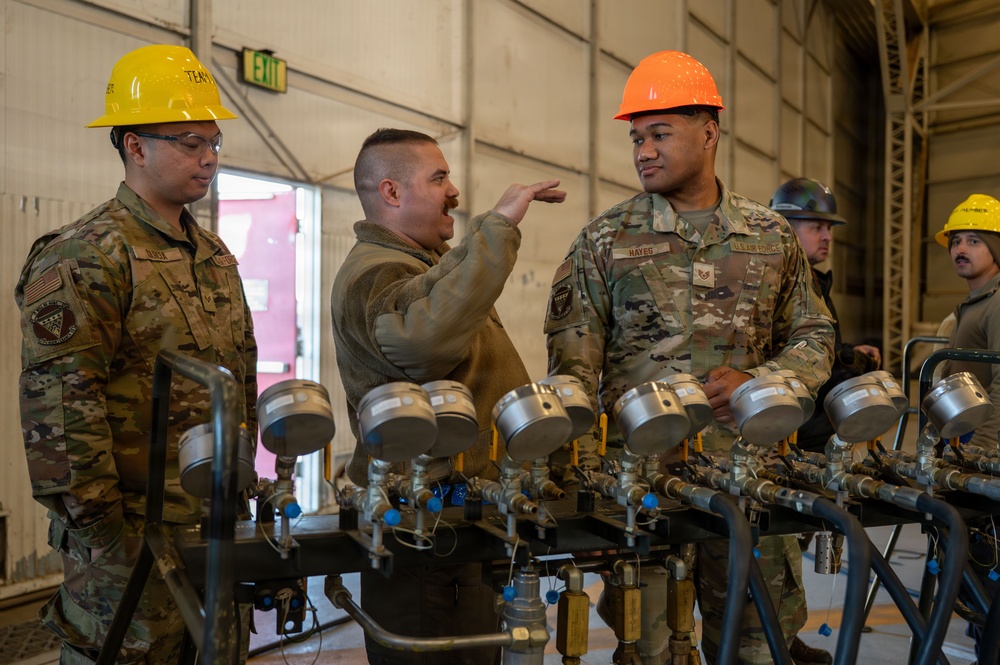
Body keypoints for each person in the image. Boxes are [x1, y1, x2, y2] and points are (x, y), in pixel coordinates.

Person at [544, 51, 835, 665]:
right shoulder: (605, 240)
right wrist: (583, 492)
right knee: (649, 651)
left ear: (709, 134)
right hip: (643, 490)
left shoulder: (769, 235)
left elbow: (814, 333)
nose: (643, 150)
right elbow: (572, 376)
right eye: (636, 138)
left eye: (660, 133)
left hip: (751, 480)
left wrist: (761, 380)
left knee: (758, 647)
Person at [14, 45, 257, 664]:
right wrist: (104, 536)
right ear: (134, 145)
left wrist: (241, 483)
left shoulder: (213, 254)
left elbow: (240, 374)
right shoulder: (86, 255)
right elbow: (61, 411)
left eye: (213, 141)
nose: (208, 159)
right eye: (187, 141)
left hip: (212, 527)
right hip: (129, 540)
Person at [330, 127, 565, 665]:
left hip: (457, 523)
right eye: (439, 179)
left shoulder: (423, 265)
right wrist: (500, 224)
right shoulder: (377, 273)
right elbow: (423, 340)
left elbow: (451, 288)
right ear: (391, 193)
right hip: (424, 536)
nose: (454, 191)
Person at [769, 178, 881, 452]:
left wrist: (846, 351)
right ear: (786, 229)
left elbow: (814, 341)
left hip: (820, 427)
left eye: (829, 228)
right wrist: (843, 366)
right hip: (792, 433)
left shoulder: (815, 283)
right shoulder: (770, 285)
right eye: (817, 227)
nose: (828, 236)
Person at [935, 193, 1000, 661]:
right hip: (965, 452)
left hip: (986, 459)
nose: (961, 248)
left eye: (975, 240)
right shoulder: (970, 306)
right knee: (974, 568)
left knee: (989, 572)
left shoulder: (998, 305)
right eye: (956, 240)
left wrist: (985, 451)